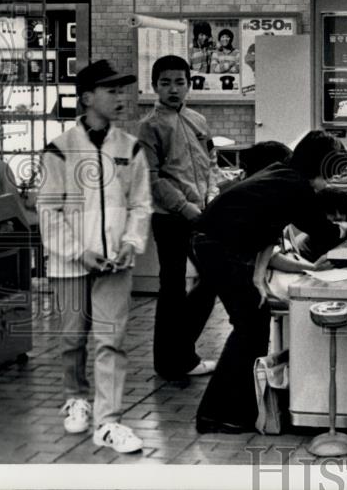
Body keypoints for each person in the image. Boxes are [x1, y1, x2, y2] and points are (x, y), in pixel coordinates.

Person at [190, 130, 347, 433]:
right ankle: (217, 414)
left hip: (213, 242)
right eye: (328, 175)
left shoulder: (283, 176)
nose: (327, 184)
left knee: (253, 318)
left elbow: (266, 231)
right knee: (250, 322)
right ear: (318, 166)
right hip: (215, 245)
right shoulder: (296, 187)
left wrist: (256, 278)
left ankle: (229, 410)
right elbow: (323, 231)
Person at [36, 60, 151, 454]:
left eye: (122, 91)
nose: (120, 98)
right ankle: (76, 397)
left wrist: (130, 244)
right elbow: (48, 210)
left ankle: (109, 421)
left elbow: (141, 204)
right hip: (70, 262)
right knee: (72, 338)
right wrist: (76, 252)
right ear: (86, 98)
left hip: (116, 263)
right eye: (111, 91)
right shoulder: (59, 150)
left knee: (111, 340)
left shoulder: (130, 148)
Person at [136, 55, 218, 380]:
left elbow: (211, 163)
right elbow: (152, 178)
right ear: (154, 85)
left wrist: (212, 197)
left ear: (189, 83)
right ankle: (175, 360)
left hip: (201, 212)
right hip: (170, 218)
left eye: (179, 82)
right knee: (172, 288)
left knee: (210, 279)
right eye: (166, 82)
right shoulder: (149, 126)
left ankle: (176, 357)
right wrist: (186, 207)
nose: (173, 89)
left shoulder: (198, 120)